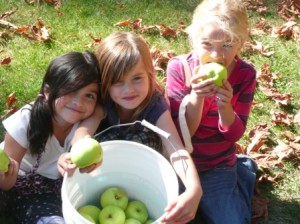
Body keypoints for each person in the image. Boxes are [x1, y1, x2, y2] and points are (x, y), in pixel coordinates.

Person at [63, 31, 202, 223]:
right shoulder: (105, 104)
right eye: (118, 82)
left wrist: (194, 189)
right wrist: (80, 146)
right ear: (105, 83)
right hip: (102, 172)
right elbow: (83, 130)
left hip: (143, 173)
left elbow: (176, 150)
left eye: (137, 78)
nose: (128, 90)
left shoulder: (155, 105)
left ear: (149, 74)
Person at [165, 0, 257, 223]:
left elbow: (234, 134)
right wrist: (196, 98)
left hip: (217, 165)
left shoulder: (245, 75)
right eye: (207, 44)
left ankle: (241, 174)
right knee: (163, 214)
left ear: (241, 43)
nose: (217, 55)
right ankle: (243, 169)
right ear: (194, 40)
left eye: (227, 45)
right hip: (181, 164)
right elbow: (180, 135)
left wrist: (225, 107)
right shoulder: (179, 69)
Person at [0, 51, 104, 224]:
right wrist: (6, 178)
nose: (79, 102)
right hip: (13, 180)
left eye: (89, 95)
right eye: (71, 90)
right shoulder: (26, 121)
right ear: (47, 91)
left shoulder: (86, 118)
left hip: (46, 194)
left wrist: (82, 154)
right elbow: (8, 182)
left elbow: (94, 121)